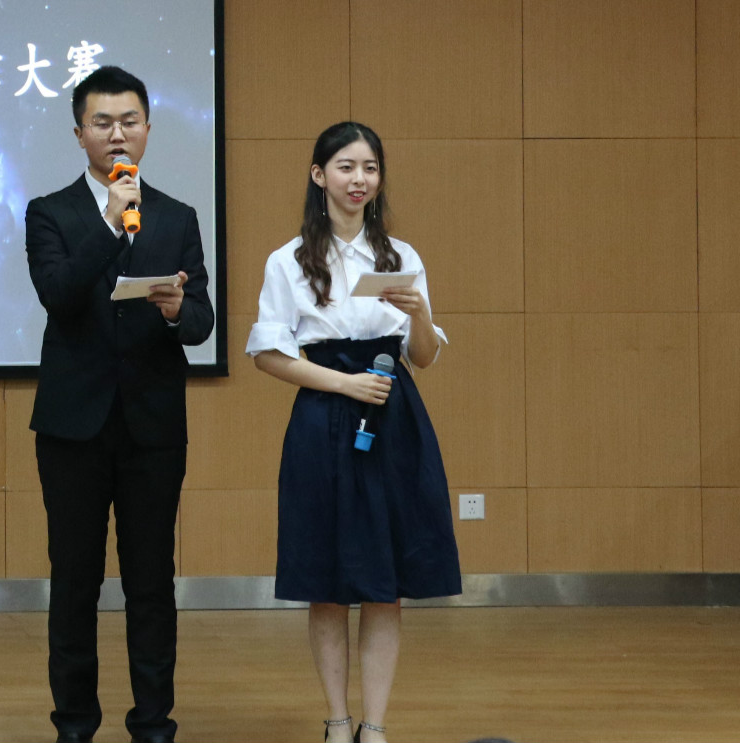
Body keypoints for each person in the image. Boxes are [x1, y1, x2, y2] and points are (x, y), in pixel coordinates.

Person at [246, 122, 462, 743]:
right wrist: (343, 385)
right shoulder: (288, 260)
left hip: (394, 417)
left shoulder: (402, 256)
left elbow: (423, 357)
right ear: (319, 175)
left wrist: (420, 315)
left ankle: (375, 725)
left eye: (369, 167)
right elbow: (268, 355)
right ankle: (337, 721)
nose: (359, 179)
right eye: (345, 167)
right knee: (328, 582)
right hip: (323, 417)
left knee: (385, 585)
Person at [24, 65, 214, 743]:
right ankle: (75, 723)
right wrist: (108, 222)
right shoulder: (50, 212)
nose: (117, 134)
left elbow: (202, 322)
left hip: (152, 428)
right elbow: (59, 295)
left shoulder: (177, 216)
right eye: (102, 122)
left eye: (129, 121)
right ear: (79, 133)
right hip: (73, 428)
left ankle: (153, 722)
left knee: (151, 581)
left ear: (148, 130)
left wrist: (176, 308)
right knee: (75, 581)